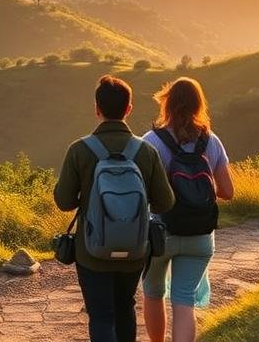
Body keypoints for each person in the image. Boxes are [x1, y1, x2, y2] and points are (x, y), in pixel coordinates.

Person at [54, 75, 175, 342]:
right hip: (134, 248)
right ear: (129, 109)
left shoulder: (80, 150)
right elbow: (166, 202)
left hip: (91, 252)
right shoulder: (145, 151)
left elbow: (63, 202)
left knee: (101, 316)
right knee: (125, 309)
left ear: (97, 109)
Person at [141, 77, 234, 342]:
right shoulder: (211, 141)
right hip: (200, 236)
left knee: (153, 292)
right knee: (184, 301)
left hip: (160, 233)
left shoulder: (151, 141)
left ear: (167, 103)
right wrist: (197, 192)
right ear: (198, 105)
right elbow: (227, 192)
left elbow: (142, 192)